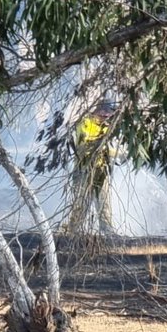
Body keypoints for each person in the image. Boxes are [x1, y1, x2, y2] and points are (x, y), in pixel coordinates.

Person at [66, 100, 117, 236]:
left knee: (104, 202)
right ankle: (73, 232)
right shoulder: (85, 123)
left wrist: (114, 151)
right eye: (103, 112)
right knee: (80, 202)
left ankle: (108, 232)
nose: (106, 115)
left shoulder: (108, 126)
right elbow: (84, 145)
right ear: (97, 110)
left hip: (101, 170)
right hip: (83, 170)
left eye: (109, 113)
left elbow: (112, 148)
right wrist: (103, 146)